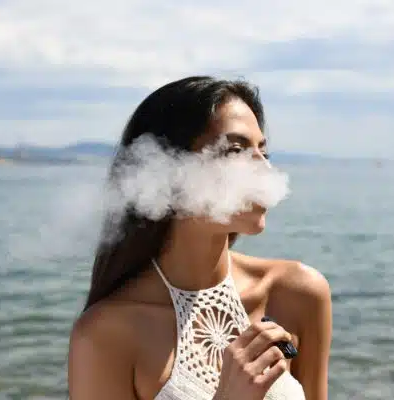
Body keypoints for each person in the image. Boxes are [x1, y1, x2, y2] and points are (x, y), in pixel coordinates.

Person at [67, 76, 333, 400]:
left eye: (263, 152)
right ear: (166, 173)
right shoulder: (104, 335)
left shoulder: (299, 293)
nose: (263, 170)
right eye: (235, 151)